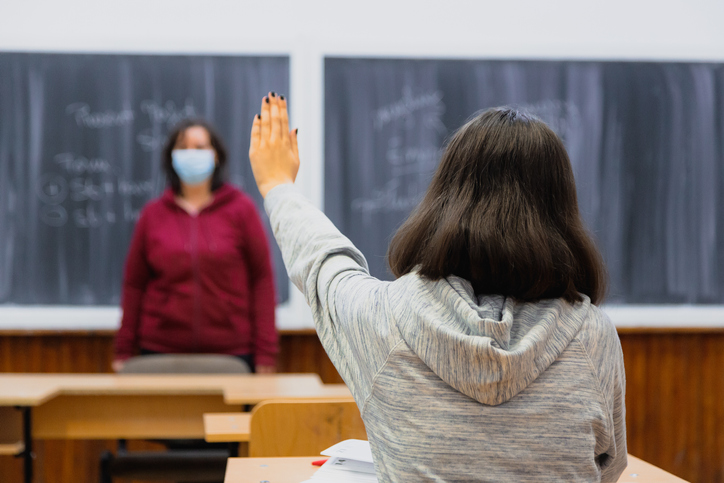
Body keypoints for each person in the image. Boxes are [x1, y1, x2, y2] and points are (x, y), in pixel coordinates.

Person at [249, 93, 626, 482]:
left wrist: (277, 185)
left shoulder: (384, 319)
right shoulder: (592, 334)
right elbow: (608, 468)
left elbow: (325, 264)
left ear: (446, 198)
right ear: (560, 212)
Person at [114, 119, 278, 374]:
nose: (192, 154)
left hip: (232, 354)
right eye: (183, 147)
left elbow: (262, 279)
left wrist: (266, 352)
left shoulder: (241, 210)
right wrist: (123, 349)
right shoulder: (152, 215)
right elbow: (134, 284)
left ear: (216, 156)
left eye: (200, 147)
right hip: (160, 353)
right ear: (171, 157)